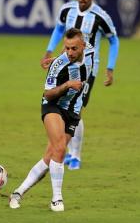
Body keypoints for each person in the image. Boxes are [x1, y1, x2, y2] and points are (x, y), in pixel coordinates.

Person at [9, 28, 93, 212]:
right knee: (61, 148)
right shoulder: (59, 65)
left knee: (50, 157)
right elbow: (47, 93)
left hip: (73, 111)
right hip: (53, 105)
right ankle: (57, 199)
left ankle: (18, 193)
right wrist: (67, 84)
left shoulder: (91, 53)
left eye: (74, 49)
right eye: (67, 48)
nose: (69, 53)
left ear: (83, 47)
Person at [40, 0, 120, 169]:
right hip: (65, 66)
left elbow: (113, 40)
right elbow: (59, 28)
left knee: (77, 108)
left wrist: (110, 68)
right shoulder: (67, 10)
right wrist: (49, 51)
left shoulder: (101, 16)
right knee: (62, 105)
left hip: (87, 70)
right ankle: (65, 150)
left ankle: (75, 155)